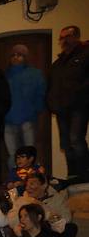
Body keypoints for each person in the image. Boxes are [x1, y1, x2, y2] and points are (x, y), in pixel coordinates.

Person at [47, 25, 89, 181]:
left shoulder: (85, 55)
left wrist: (78, 92)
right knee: (66, 144)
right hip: (61, 108)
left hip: (79, 106)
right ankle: (73, 174)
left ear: (76, 36)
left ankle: (84, 174)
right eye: (61, 37)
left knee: (76, 139)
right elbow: (50, 86)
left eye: (67, 36)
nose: (63, 40)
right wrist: (51, 104)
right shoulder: (57, 64)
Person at [8, 172, 75, 237]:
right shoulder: (22, 200)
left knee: (71, 228)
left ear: (44, 185)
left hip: (49, 234)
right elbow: (11, 220)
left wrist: (44, 210)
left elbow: (67, 218)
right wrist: (29, 212)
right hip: (29, 235)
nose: (28, 188)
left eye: (32, 184)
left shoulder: (57, 198)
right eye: (26, 185)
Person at [4, 44, 46, 169]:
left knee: (29, 154)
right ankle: (14, 180)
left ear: (25, 57)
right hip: (8, 120)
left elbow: (40, 94)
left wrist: (35, 111)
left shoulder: (35, 74)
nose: (16, 57)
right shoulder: (5, 75)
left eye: (19, 55)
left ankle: (31, 180)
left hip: (28, 119)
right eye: (13, 55)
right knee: (12, 155)